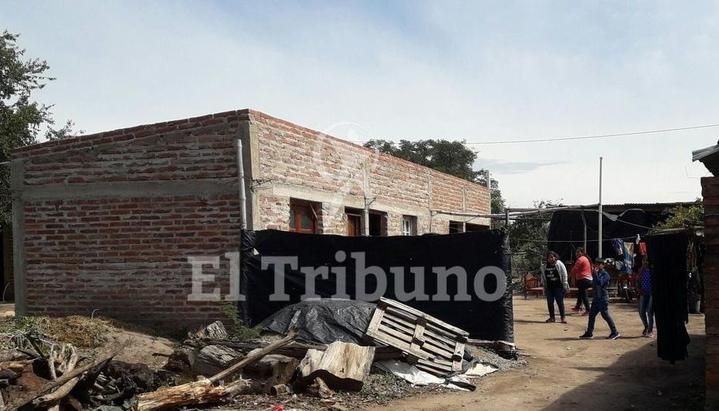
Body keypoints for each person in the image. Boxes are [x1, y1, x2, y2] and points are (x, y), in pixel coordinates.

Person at [580, 258, 620, 339]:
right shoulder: (596, 273)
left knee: (605, 315)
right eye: (596, 264)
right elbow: (594, 284)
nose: (597, 266)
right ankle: (589, 332)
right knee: (591, 315)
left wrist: (595, 274)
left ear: (603, 265)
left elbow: (600, 283)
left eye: (599, 264)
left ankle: (615, 332)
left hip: (603, 298)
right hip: (596, 298)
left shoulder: (605, 274)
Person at [541, 251, 569, 323]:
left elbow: (564, 274)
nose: (550, 259)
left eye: (552, 257)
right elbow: (543, 276)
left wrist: (565, 284)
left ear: (555, 257)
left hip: (558, 287)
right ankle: (552, 318)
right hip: (549, 287)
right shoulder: (544, 266)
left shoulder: (559, 264)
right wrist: (544, 285)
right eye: (549, 257)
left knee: (560, 302)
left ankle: (563, 318)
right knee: (550, 302)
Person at [571, 248, 593, 314]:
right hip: (588, 279)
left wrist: (571, 277)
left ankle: (588, 310)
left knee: (584, 295)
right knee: (580, 294)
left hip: (583, 279)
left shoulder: (580, 259)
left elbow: (574, 270)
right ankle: (577, 307)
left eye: (578, 252)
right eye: (576, 252)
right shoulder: (586, 258)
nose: (576, 254)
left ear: (582, 253)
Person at [638, 258, 654, 337]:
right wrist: (639, 289)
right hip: (643, 293)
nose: (645, 262)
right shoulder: (641, 270)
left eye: (646, 260)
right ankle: (646, 327)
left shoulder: (652, 270)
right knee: (641, 312)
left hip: (651, 293)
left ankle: (650, 331)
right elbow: (639, 281)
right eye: (643, 260)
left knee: (649, 311)